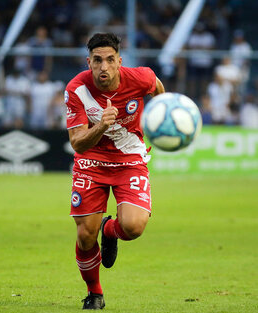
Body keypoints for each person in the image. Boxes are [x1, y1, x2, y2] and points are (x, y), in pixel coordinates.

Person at [64, 33, 165, 310]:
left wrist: (160, 118)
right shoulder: (77, 90)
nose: (104, 67)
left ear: (119, 61)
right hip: (92, 161)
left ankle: (109, 231)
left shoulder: (140, 78)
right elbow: (78, 142)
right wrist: (101, 126)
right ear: (89, 62)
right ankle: (94, 293)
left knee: (133, 227)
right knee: (85, 235)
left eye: (110, 60)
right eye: (97, 60)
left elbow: (156, 87)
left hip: (130, 158)